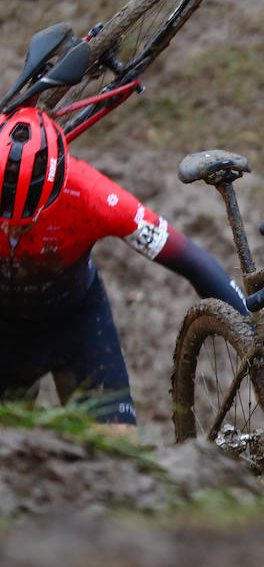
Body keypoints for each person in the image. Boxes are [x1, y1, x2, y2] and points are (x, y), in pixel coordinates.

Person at [0, 107, 248, 440]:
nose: (14, 233)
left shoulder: (93, 196)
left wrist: (256, 350)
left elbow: (192, 261)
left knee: (117, 448)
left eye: (28, 222)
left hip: (74, 325)